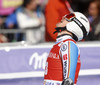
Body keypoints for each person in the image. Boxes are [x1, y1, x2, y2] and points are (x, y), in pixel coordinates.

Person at [44, 12, 90, 85]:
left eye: (69, 17)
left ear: (75, 25)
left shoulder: (68, 44)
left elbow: (69, 81)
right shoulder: (62, 43)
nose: (63, 17)